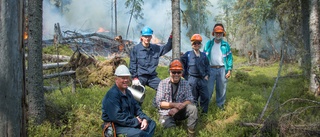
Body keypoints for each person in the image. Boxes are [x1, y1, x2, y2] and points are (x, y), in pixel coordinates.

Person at [101, 65, 156, 137]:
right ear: (116, 79)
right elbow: (117, 117)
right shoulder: (112, 95)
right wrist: (135, 121)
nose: (126, 80)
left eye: (127, 78)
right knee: (139, 134)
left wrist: (144, 118)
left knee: (151, 123)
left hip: (129, 123)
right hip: (116, 125)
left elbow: (137, 108)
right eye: (123, 78)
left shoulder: (128, 92)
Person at [155, 59, 198, 137]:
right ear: (170, 72)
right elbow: (160, 103)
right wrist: (175, 105)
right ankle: (170, 124)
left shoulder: (185, 83)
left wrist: (177, 108)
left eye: (179, 72)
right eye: (174, 72)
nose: (176, 74)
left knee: (193, 108)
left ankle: (191, 133)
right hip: (166, 112)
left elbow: (190, 99)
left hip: (180, 110)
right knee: (171, 131)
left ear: (182, 73)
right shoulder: (162, 83)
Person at [129, 26, 172, 91]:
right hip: (140, 77)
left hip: (152, 77)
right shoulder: (136, 49)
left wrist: (171, 37)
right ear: (142, 37)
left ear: (151, 37)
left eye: (149, 36)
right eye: (145, 36)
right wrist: (134, 78)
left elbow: (167, 48)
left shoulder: (155, 48)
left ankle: (156, 101)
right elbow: (132, 64)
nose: (147, 38)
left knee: (164, 88)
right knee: (137, 96)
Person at [204, 23, 233, 110]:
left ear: (223, 34)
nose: (218, 34)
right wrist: (204, 71)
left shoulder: (225, 45)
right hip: (210, 69)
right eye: (217, 32)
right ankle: (205, 107)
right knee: (208, 89)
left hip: (222, 69)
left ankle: (220, 106)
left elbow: (230, 58)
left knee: (221, 89)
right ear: (214, 33)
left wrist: (229, 70)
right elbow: (204, 58)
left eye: (220, 33)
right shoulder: (208, 44)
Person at [181, 34, 210, 113]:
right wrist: (185, 75)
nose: (196, 45)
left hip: (202, 79)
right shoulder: (187, 54)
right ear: (192, 44)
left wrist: (207, 75)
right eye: (194, 43)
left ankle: (204, 114)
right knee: (193, 98)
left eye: (198, 43)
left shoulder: (203, 55)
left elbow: (207, 66)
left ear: (200, 44)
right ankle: (194, 114)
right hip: (192, 80)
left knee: (206, 97)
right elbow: (180, 63)